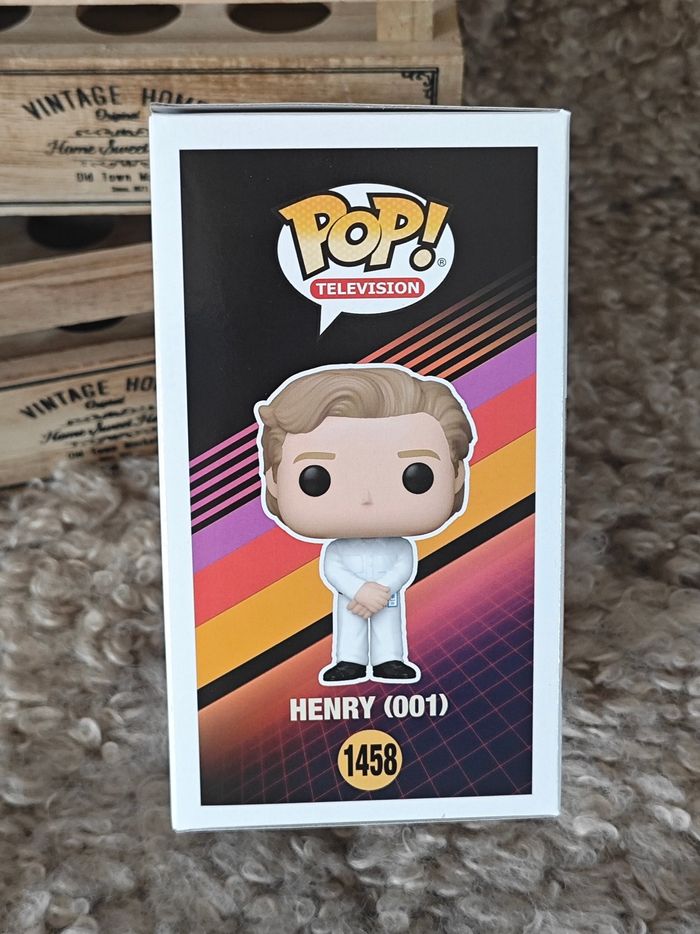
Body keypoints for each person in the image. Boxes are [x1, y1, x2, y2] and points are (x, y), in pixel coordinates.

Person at [255, 364, 476, 685]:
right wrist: (359, 590)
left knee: (389, 627)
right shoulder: (338, 550)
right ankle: (349, 662)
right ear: (274, 481)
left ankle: (390, 660)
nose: (366, 497)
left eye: (416, 476)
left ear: (456, 475)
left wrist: (382, 590)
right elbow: (333, 570)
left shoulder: (399, 546)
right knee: (350, 627)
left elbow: (403, 567)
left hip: (386, 594)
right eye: (316, 478)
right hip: (353, 596)